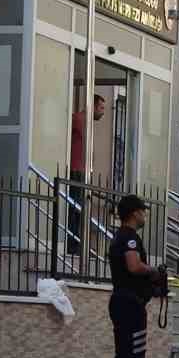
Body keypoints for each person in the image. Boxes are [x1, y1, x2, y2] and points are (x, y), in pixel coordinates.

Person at [107, 195, 161, 358]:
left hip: (122, 302)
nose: (145, 215)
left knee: (122, 357)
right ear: (134, 213)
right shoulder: (129, 238)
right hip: (130, 305)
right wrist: (153, 271)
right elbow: (133, 266)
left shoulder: (119, 237)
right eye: (142, 211)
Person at [68, 94, 107, 256]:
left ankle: (76, 243)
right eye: (101, 108)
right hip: (76, 171)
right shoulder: (77, 120)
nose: (103, 112)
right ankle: (72, 244)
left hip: (82, 171)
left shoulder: (85, 122)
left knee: (79, 209)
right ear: (92, 106)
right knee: (75, 209)